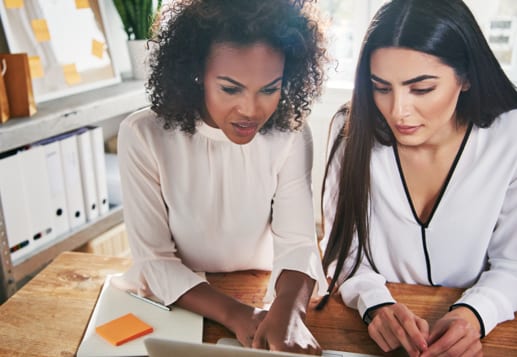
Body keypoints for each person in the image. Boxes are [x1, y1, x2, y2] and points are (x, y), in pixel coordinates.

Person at [115, 0, 328, 354]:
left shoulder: (290, 134)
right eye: (231, 89)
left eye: (269, 89)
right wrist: (238, 315)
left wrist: (288, 313)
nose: (250, 110)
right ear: (196, 72)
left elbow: (298, 244)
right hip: (182, 301)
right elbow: (153, 259)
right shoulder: (143, 135)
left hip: (264, 288)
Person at [319, 1, 517, 356]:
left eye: (421, 89)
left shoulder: (510, 137)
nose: (398, 111)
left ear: (467, 77)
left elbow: (513, 264)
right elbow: (342, 253)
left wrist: (474, 315)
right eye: (381, 87)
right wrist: (375, 303)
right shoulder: (350, 133)